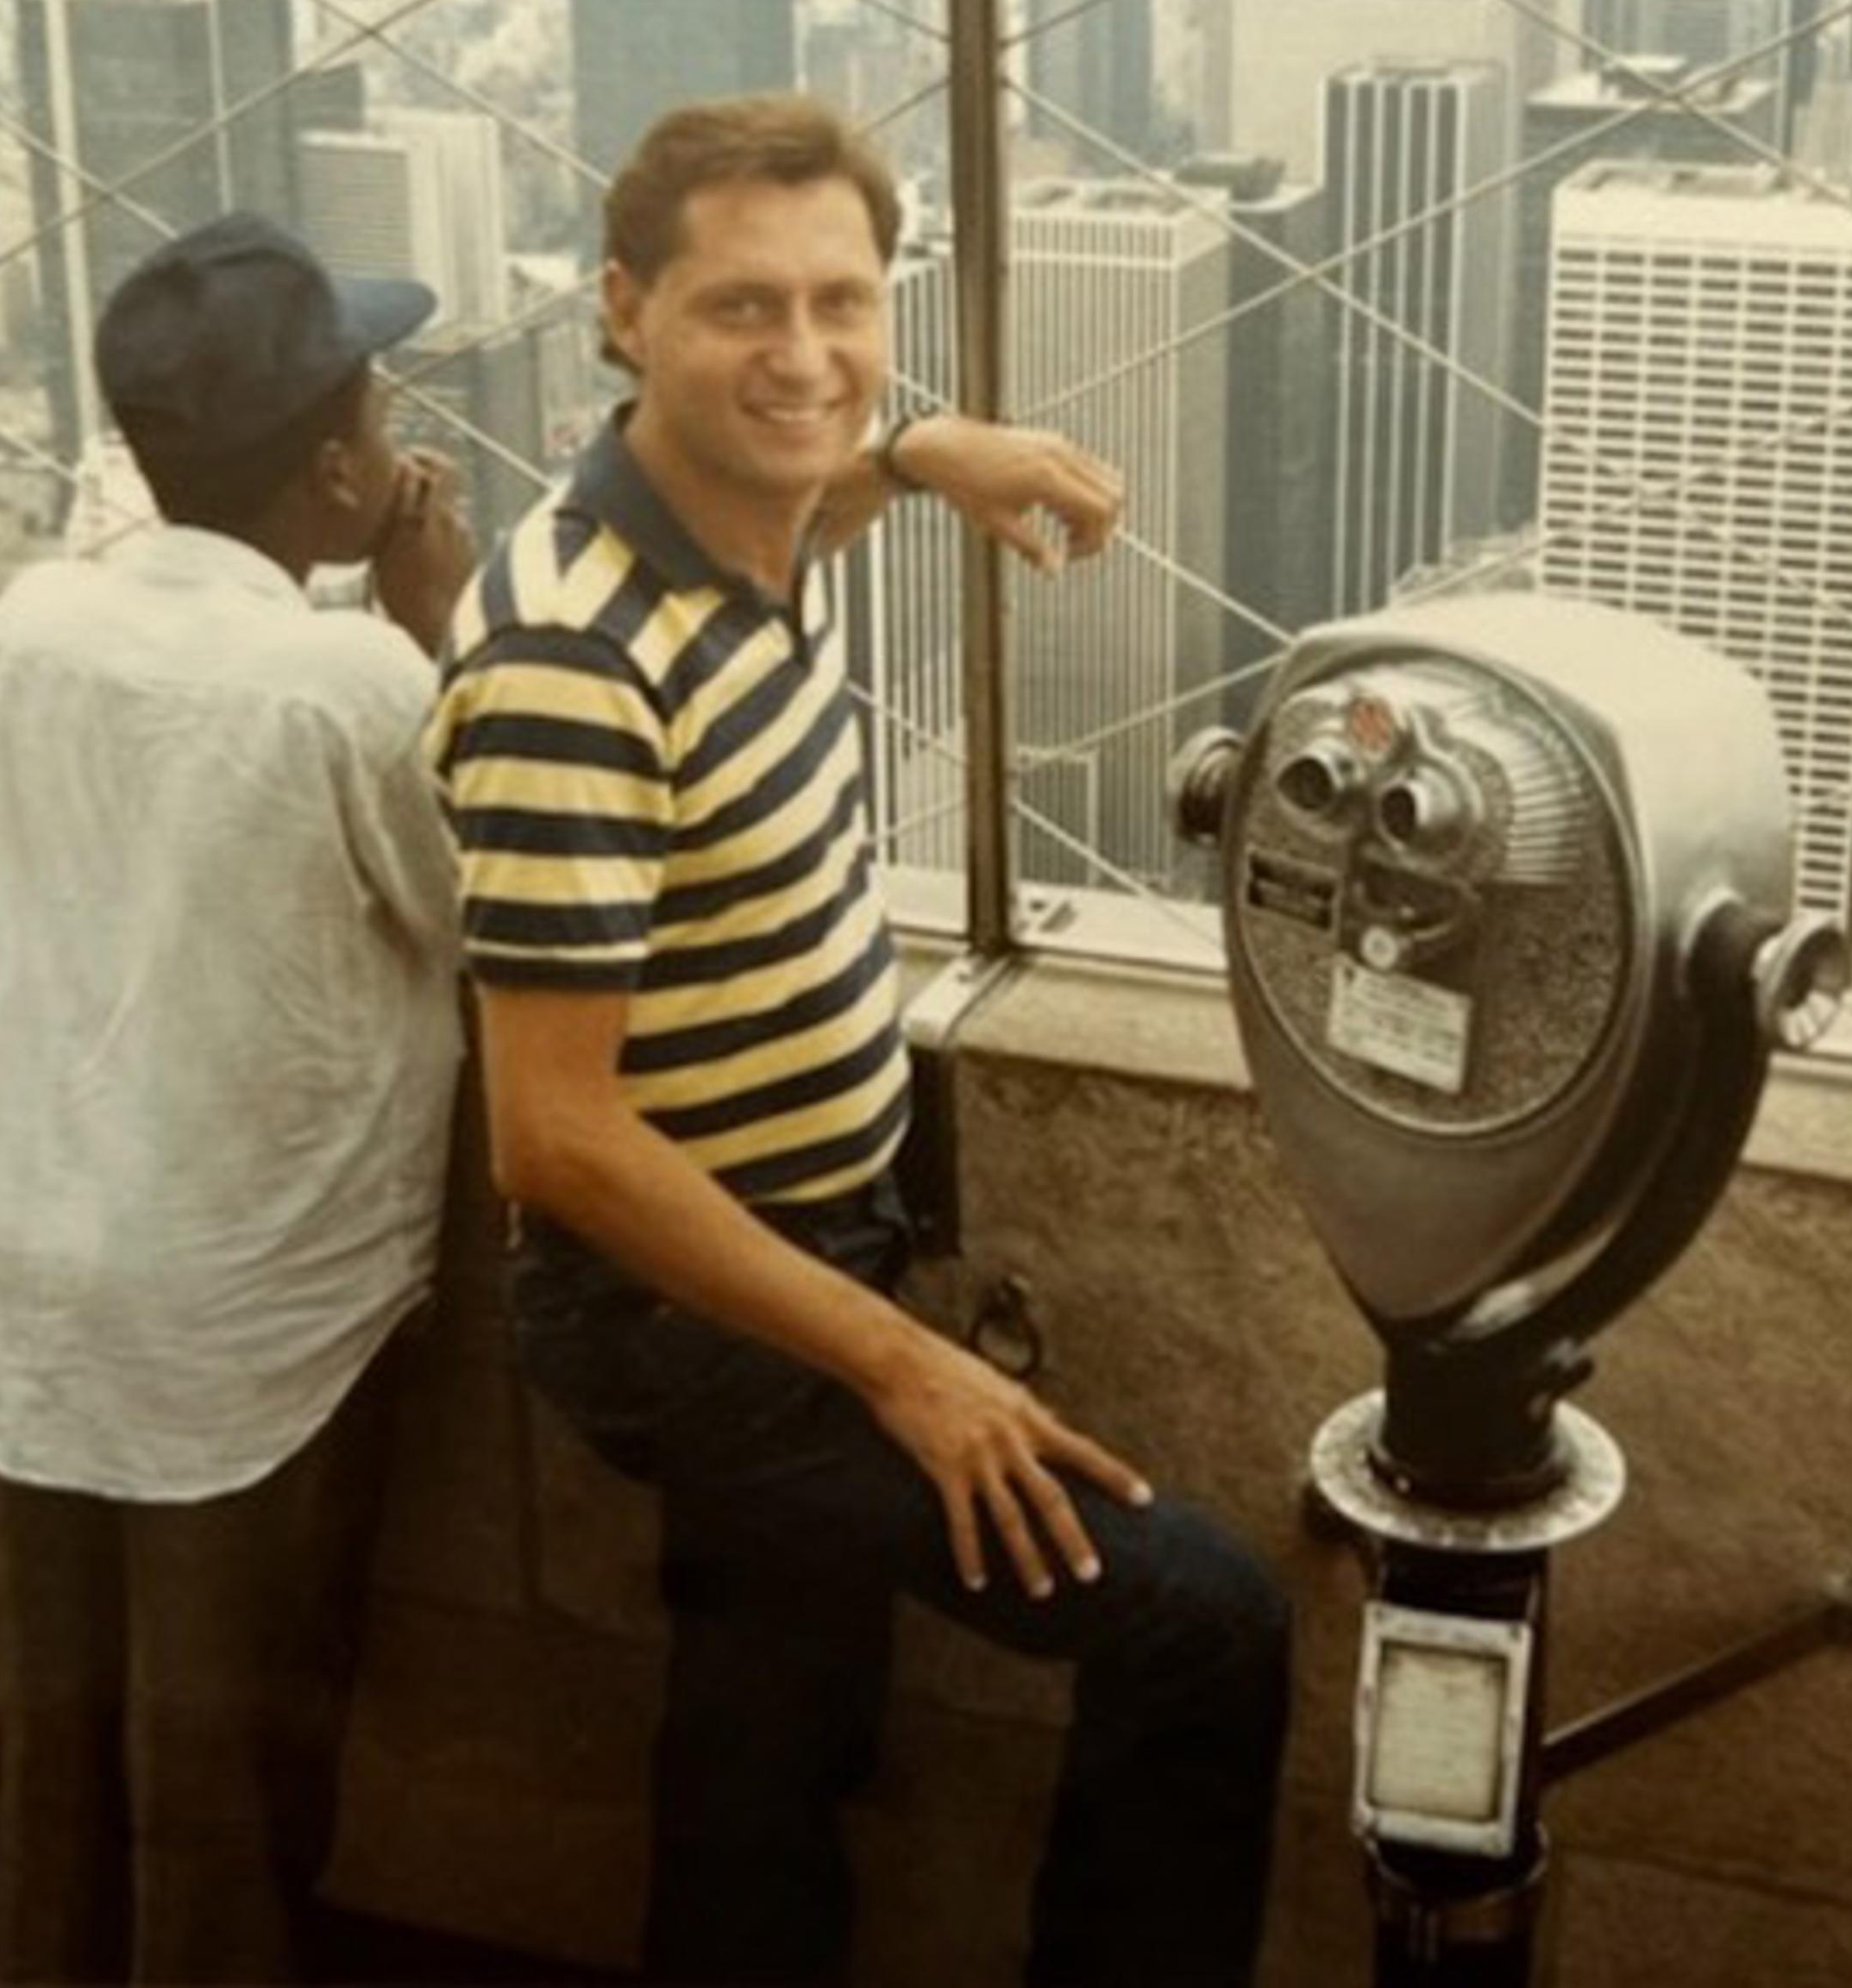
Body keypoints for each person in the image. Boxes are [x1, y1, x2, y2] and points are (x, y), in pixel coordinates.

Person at [427, 96, 1294, 1987]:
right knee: (1203, 1622)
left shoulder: (759, 522)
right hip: (687, 1317)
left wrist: (929, 444)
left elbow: (817, 457)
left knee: (770, 1725)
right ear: (623, 311)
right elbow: (550, 1138)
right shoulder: (575, 657)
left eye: (845, 300)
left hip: (806, 1245)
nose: (802, 354)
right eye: (742, 308)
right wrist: (906, 1366)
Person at [0, 212, 476, 1983]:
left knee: (57, 1784)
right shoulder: (350, 685)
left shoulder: (31, 627)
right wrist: (431, 624)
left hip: (32, 1285)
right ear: (338, 470)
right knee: (227, 1814)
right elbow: (474, 904)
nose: (400, 435)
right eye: (379, 406)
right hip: (246, 1324)